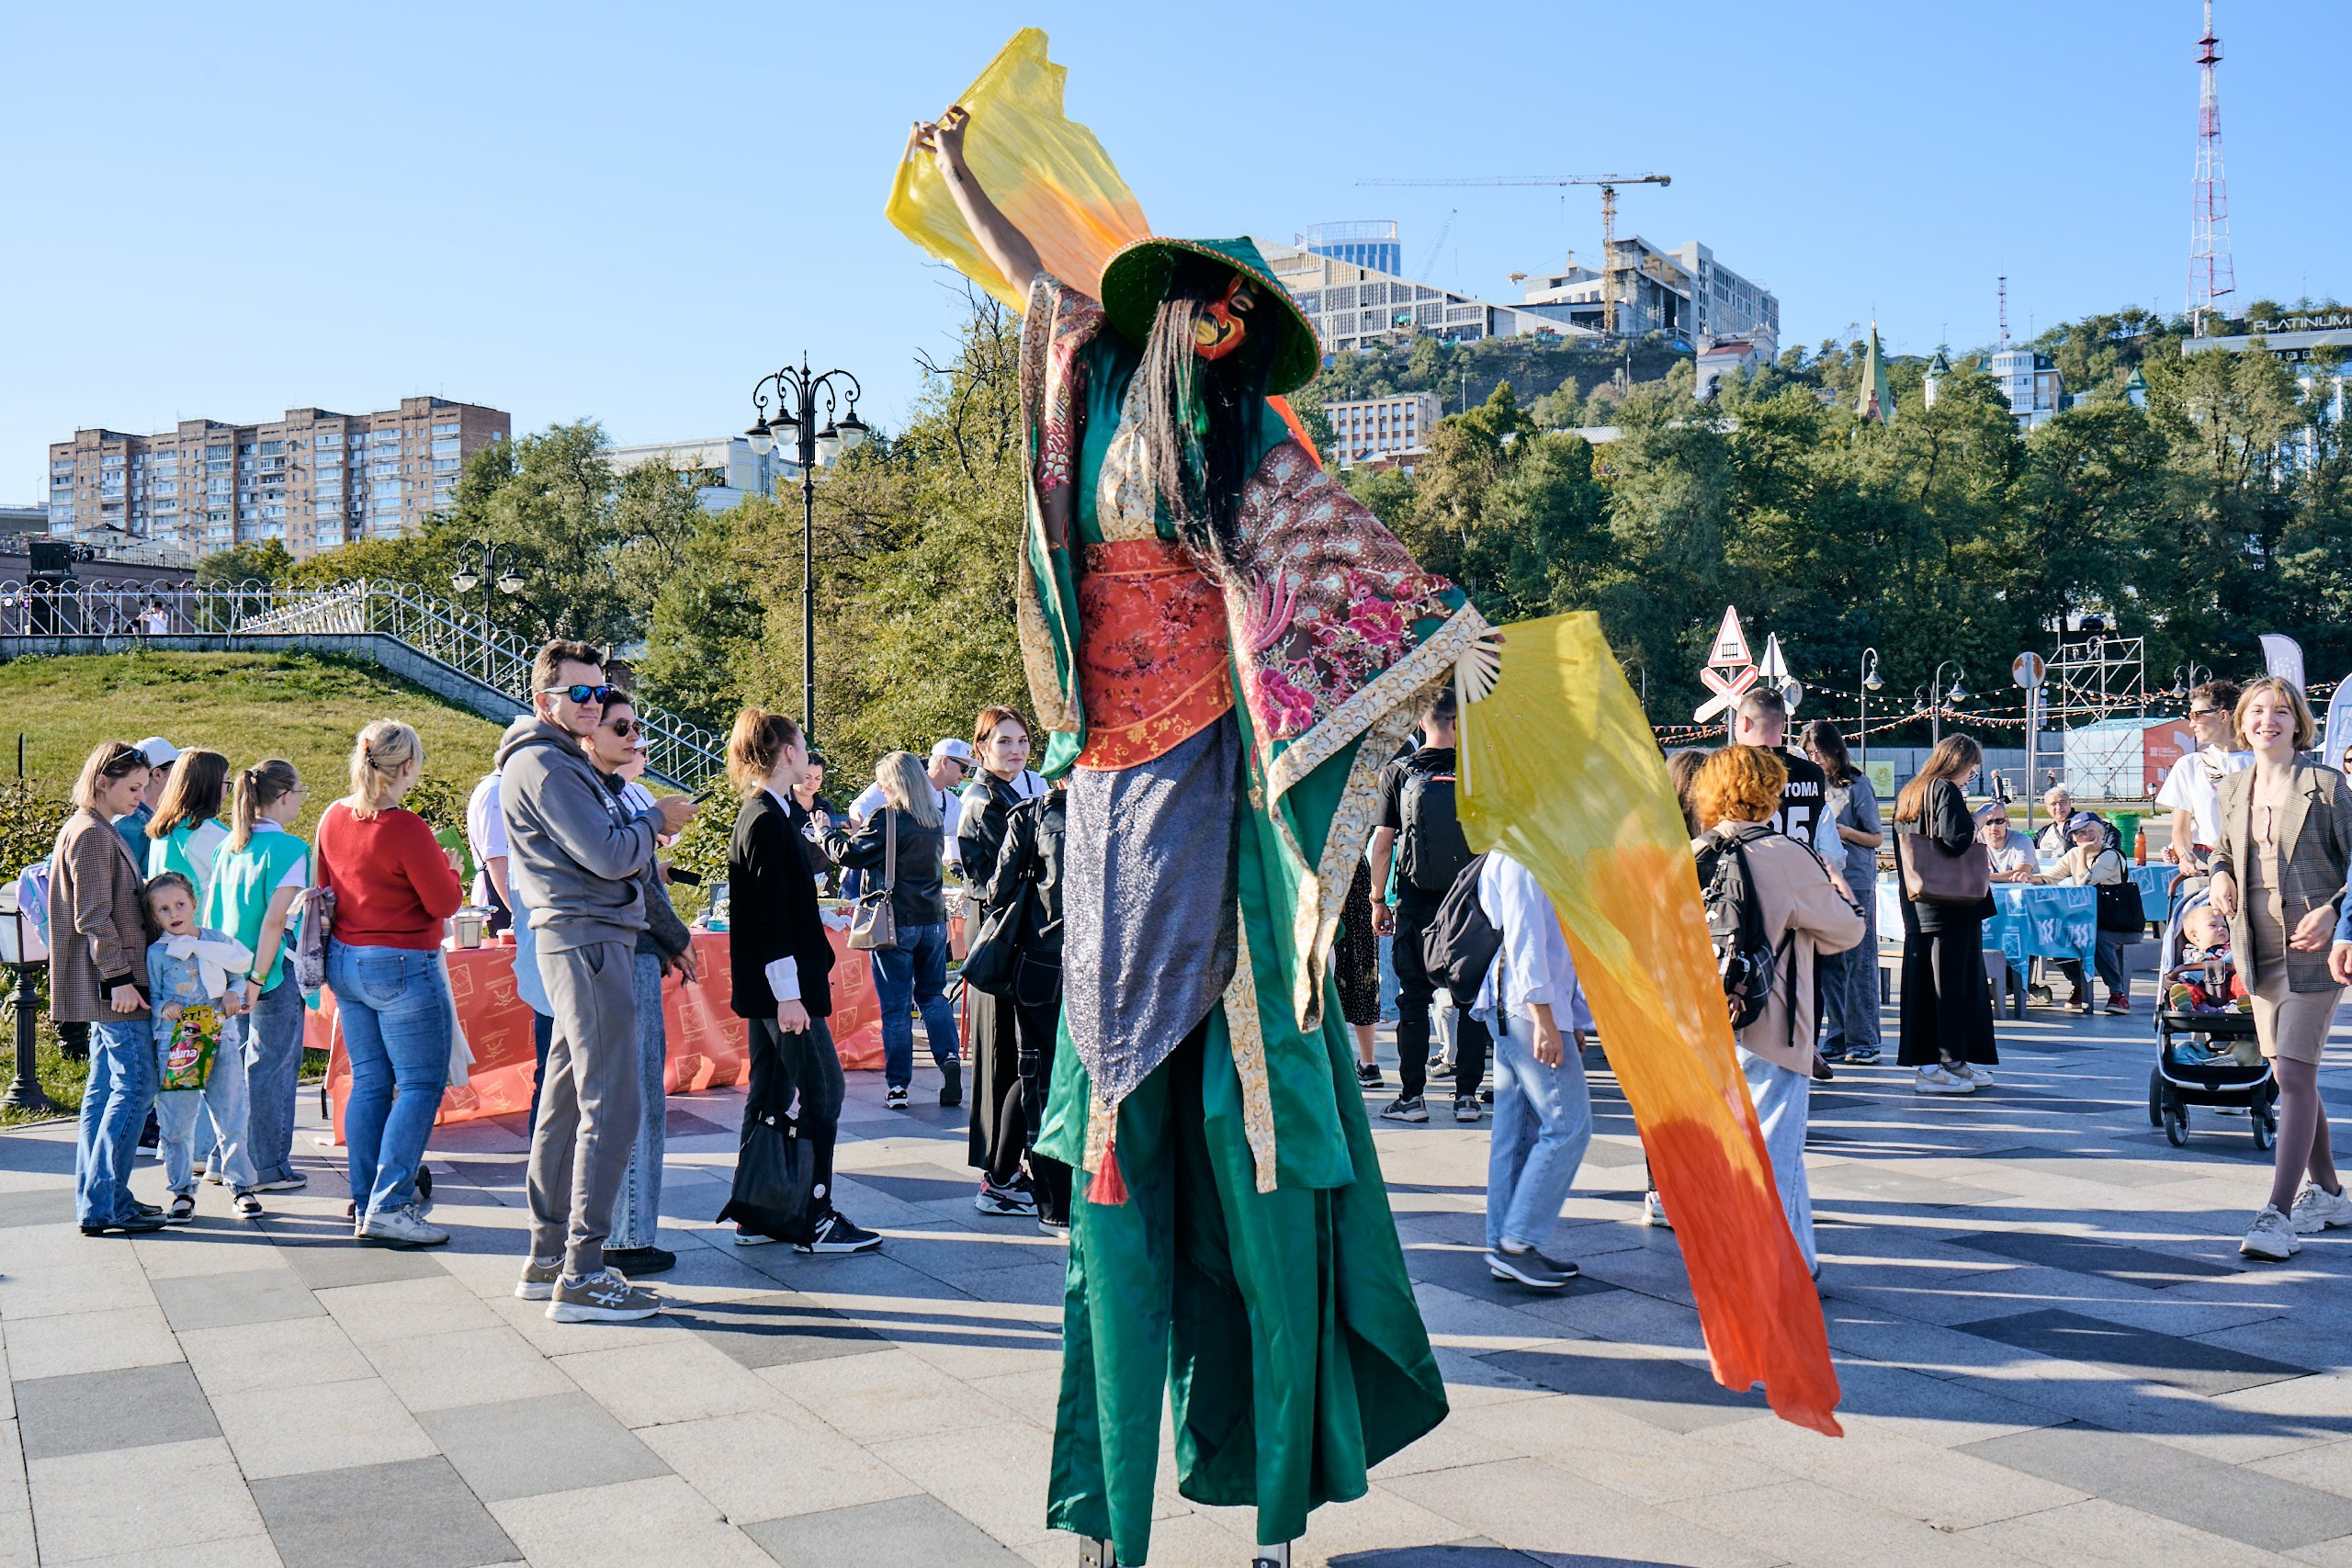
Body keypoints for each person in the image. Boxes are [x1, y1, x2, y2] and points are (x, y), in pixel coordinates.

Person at [915, 104, 1462, 1563]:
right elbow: (1027, 275)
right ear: (1163, 311)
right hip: (1104, 806)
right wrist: (963, 171)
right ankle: (1106, 1519)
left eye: (1242, 316)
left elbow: (1379, 606)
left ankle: (1277, 1513)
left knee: (1258, 1159)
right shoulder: (1090, 379)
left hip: (1217, 810)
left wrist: (1459, 661)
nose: (1220, 328)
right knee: (1113, 1193)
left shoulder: (1254, 463)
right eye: (1207, 306)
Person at [499, 640, 698, 1321]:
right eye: (577, 693)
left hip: (583, 939)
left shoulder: (553, 762)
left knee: (564, 1102)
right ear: (543, 700)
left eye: (596, 691)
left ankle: (549, 1255)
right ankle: (582, 1272)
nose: (591, 703)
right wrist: (655, 820)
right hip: (588, 941)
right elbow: (610, 855)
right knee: (612, 1105)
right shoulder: (547, 767)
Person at [1692, 746, 1863, 1277]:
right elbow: (1847, 931)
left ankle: (1797, 1259)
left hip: (1705, 1020)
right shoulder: (1786, 854)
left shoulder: (1691, 853)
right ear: (1770, 793)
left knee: (1739, 1147)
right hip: (1771, 1020)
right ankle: (1774, 1265)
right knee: (1775, 1149)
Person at [719, 708, 879, 1254]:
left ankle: (759, 1207)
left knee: (770, 1092)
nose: (808, 755)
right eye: (803, 745)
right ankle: (814, 1213)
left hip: (779, 985)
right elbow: (769, 918)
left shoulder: (771, 812)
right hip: (783, 989)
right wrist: (788, 994)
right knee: (823, 1090)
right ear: (787, 752)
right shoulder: (764, 818)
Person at [2209, 677, 2352, 1259]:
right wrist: (2218, 874)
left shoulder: (2325, 786)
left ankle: (2275, 1214)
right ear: (2242, 723)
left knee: (2292, 1076)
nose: (2268, 721)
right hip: (2258, 948)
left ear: (2299, 723)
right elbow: (2222, 849)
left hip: (2315, 954)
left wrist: (2337, 911)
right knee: (2295, 1076)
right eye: (2258, 712)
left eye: (2282, 712)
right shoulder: (2234, 787)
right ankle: (2332, 1195)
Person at [313, 721, 463, 1246]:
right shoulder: (405, 827)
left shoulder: (332, 816)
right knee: (420, 1085)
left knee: (372, 1083)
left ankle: (365, 1201)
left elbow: (325, 889)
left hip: (347, 961)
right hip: (401, 963)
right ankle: (391, 1203)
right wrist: (453, 871)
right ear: (405, 768)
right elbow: (444, 904)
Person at [582, 694, 697, 1277]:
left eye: (638, 727)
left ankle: (622, 1230)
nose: (634, 738)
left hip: (627, 953)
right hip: (622, 955)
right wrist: (677, 935)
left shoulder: (611, 789)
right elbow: (633, 877)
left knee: (632, 1097)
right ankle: (625, 1235)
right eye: (621, 728)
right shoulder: (601, 794)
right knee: (636, 1099)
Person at [1470, 847, 1595, 1290]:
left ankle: (1505, 1243)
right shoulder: (1523, 854)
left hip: (1518, 1006)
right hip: (1527, 1008)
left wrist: (1571, 1016)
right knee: (1569, 1126)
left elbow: (1552, 941)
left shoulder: (1519, 848)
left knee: (1516, 1131)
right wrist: (1548, 1018)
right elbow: (1525, 940)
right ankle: (1516, 1243)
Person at [58, 741, 165, 1235]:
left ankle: (104, 1198)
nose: (142, 798)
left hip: (109, 981)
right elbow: (94, 915)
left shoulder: (92, 828)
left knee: (104, 1092)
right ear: (104, 781)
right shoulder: (91, 834)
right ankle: (106, 1206)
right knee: (136, 1087)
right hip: (114, 984)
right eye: (134, 787)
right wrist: (119, 979)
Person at [1370, 689, 1490, 1124]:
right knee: (1470, 1000)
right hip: (1471, 902)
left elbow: (1383, 843)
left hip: (1416, 901)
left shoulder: (1399, 771)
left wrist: (1378, 899)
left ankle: (1412, 1098)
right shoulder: (1482, 771)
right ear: (1460, 722)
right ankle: (1467, 1098)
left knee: (1413, 998)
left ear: (1422, 722)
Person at [824, 751, 961, 1111]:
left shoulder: (887, 817)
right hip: (933, 919)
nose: (880, 788)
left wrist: (824, 832)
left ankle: (898, 1087)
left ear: (893, 783)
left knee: (897, 1007)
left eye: (882, 781)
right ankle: (949, 1059)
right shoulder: (933, 817)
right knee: (933, 996)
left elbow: (849, 854)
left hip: (895, 922)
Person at [204, 758, 311, 1192]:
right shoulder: (291, 849)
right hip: (269, 972)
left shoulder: (229, 845)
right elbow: (274, 920)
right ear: (284, 797)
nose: (302, 801)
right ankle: (267, 1165)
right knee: (271, 1067)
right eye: (300, 793)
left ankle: (221, 1158)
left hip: (229, 969)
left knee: (235, 1067)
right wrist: (257, 977)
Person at [977, 778, 1075, 1233]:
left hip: (1041, 962)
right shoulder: (1118, 814)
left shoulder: (1031, 815)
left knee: (1039, 1076)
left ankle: (1054, 1204)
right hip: (1102, 966)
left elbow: (997, 893)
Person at [960, 706, 1047, 1214]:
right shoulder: (985, 799)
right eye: (1003, 742)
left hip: (1006, 929)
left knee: (1014, 1055)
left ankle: (1006, 1167)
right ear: (981, 748)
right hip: (998, 931)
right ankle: (998, 1175)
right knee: (1006, 1056)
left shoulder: (1010, 792)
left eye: (1021, 741)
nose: (1014, 750)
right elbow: (1002, 882)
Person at [142, 872, 257, 1221]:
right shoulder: (158, 953)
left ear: (194, 903)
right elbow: (153, 995)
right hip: (178, 1046)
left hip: (220, 1038)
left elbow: (237, 972)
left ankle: (241, 1187)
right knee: (176, 1122)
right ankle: (181, 1192)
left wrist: (235, 992)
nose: (174, 913)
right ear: (155, 916)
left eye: (179, 904)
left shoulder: (218, 942)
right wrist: (165, 1008)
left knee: (231, 1113)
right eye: (163, 909)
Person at [1893, 735, 1998, 1096]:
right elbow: (1955, 839)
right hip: (1952, 905)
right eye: (1971, 768)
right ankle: (1937, 1065)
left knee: (1928, 987)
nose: (1972, 775)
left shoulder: (1912, 790)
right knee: (1953, 986)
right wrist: (1979, 818)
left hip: (1922, 901)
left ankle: (1946, 1061)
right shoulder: (1944, 789)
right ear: (1959, 762)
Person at [468, 762, 558, 1113]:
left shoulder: (508, 789)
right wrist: (519, 914)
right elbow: (496, 858)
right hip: (505, 897)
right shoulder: (496, 791)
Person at [1803, 720, 1883, 1065]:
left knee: (1859, 961)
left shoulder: (1856, 784)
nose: (1815, 758)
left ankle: (1865, 1039)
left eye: (1820, 752)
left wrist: (1843, 831)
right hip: (1821, 881)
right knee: (1830, 962)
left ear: (1836, 750)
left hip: (1856, 879)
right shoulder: (1807, 783)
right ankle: (1837, 1034)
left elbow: (1877, 837)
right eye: (1809, 753)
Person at [1733, 692, 1843, 883]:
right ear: (1783, 726)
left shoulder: (1733, 771)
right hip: (1799, 881)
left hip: (1749, 882)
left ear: (1744, 722)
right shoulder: (1812, 773)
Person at [2039, 811, 2132, 1013]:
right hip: (2087, 922)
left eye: (2091, 831)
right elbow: (2050, 877)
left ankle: (2118, 994)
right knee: (2056, 937)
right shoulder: (2073, 855)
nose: (2086, 836)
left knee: (2099, 941)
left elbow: (2084, 881)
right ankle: (2079, 984)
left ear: (2102, 832)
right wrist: (2025, 877)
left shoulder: (2110, 856)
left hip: (2116, 923)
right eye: (2080, 833)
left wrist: (2082, 852)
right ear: (2073, 837)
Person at [2159, 680, 2249, 870]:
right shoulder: (2190, 765)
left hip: (2258, 864)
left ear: (2223, 716)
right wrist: (2184, 858)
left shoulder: (2262, 761)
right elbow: (2180, 827)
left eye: (2197, 715)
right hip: (2211, 862)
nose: (2191, 724)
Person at [146, 749, 232, 904]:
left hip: (166, 925)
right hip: (199, 926)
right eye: (225, 783)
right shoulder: (202, 831)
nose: (227, 792)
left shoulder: (165, 827)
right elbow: (247, 874)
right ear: (208, 786)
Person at [1337, 858, 1383, 1090]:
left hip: (1324, 881)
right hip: (1360, 885)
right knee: (1363, 974)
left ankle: (1333, 1063)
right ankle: (1369, 1062)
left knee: (1322, 979)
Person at [2166, 903, 2251, 1018]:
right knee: (2186, 989)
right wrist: (2169, 981)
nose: (2221, 928)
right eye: (2213, 925)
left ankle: (2246, 1002)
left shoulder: (2233, 948)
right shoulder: (2190, 953)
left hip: (2229, 988)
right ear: (2195, 935)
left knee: (2242, 980)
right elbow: (2181, 976)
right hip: (2201, 988)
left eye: (2224, 926)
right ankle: (2184, 1003)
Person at [114, 737, 178, 859]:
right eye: (176, 769)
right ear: (157, 774)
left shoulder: (148, 816)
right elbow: (125, 875)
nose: (181, 775)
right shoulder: (130, 823)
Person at [1978, 806, 2036, 882]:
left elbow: (2020, 873)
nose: (1993, 827)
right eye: (1988, 822)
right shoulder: (1975, 840)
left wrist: (1982, 878)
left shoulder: (2022, 840)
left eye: (1999, 821)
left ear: (2007, 822)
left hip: (2023, 890)